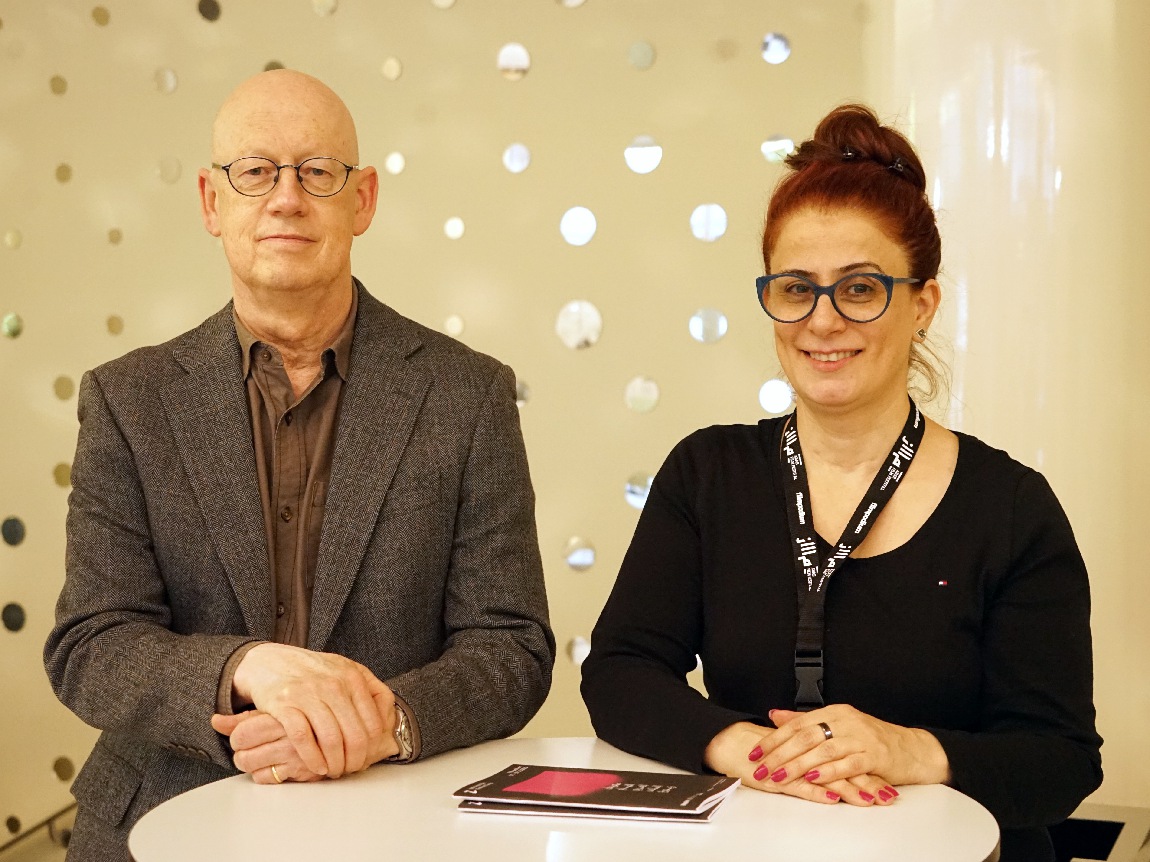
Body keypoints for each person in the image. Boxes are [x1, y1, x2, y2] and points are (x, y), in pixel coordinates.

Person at [44, 69, 554, 861]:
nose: (286, 198)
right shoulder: (128, 400)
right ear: (212, 202)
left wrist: (377, 724)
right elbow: (92, 643)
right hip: (154, 819)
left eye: (318, 172)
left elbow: (510, 646)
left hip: (391, 823)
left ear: (364, 200)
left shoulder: (468, 394)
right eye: (255, 171)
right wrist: (248, 667)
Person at [580, 104, 1101, 861]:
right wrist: (749, 750)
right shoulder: (708, 473)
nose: (822, 321)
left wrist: (905, 749)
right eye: (796, 288)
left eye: (860, 289)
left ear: (923, 305)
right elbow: (620, 673)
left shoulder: (1011, 508)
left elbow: (1059, 760)